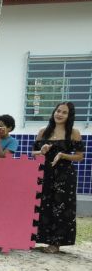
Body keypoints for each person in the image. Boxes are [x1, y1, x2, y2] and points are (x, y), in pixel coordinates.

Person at [32, 102, 84, 254]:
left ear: (69, 116)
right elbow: (34, 153)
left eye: (64, 112)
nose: (59, 114)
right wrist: (41, 151)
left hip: (65, 175)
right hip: (45, 173)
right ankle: (42, 240)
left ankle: (56, 243)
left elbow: (80, 156)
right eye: (58, 111)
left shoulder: (74, 133)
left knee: (60, 207)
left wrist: (62, 155)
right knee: (42, 205)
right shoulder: (43, 131)